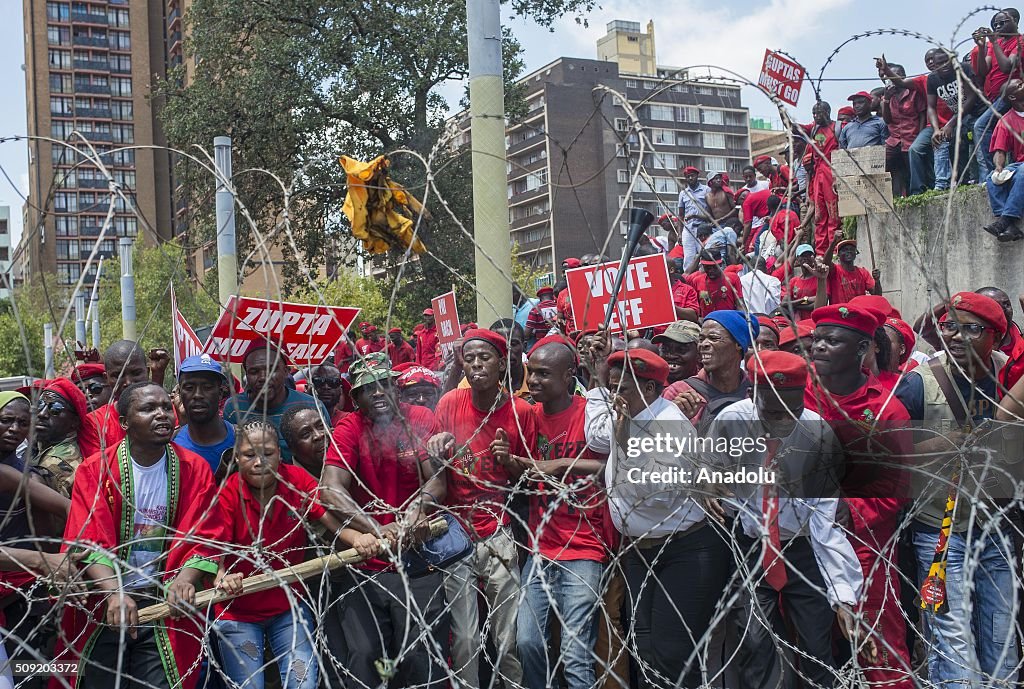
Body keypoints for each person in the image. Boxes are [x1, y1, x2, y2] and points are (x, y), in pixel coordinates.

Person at [707, 351, 871, 688]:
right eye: (772, 410)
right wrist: (707, 484)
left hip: (801, 549)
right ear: (753, 395)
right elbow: (706, 463)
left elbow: (826, 524)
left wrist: (843, 596)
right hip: (752, 546)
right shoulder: (730, 420)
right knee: (755, 641)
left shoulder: (817, 434)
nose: (782, 420)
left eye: (790, 410)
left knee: (815, 642)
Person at [892, 291, 1020, 685]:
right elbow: (883, 454)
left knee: (1001, 638)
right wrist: (945, 446)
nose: (957, 338)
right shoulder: (919, 384)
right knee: (953, 640)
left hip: (996, 527)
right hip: (939, 530)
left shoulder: (1010, 378)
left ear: (996, 338)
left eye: (971, 330)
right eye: (949, 327)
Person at [57, 381, 220, 689]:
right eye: (148, 409)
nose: (162, 415)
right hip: (103, 604)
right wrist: (114, 593)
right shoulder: (96, 470)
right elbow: (88, 539)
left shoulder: (194, 468)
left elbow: (204, 532)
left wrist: (185, 580)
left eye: (164, 407)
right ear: (124, 423)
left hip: (164, 603)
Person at [582, 343, 727, 688]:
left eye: (623, 388)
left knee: (671, 653)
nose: (615, 395)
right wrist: (596, 377)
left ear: (649, 389)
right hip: (640, 551)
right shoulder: (628, 415)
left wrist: (624, 434)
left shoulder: (668, 424)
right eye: (612, 386)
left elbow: (655, 496)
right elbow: (596, 435)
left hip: (683, 550)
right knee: (644, 650)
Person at [204, 420, 375, 689]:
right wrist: (222, 577)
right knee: (249, 685)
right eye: (250, 455)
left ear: (279, 454)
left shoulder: (295, 480)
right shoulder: (227, 494)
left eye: (268, 453)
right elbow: (214, 550)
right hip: (239, 612)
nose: (259, 462)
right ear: (237, 458)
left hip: (288, 606)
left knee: (302, 683)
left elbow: (329, 518)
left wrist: (359, 538)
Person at [319, 352, 449, 688]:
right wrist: (378, 528)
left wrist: (416, 512)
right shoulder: (349, 427)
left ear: (395, 388)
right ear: (356, 398)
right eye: (367, 388)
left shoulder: (417, 418)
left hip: (417, 560)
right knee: (367, 657)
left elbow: (435, 480)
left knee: (421, 657)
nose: (377, 393)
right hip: (367, 563)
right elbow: (330, 490)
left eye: (383, 385)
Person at [802, 305, 915, 689]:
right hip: (798, 542)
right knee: (808, 651)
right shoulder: (793, 396)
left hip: (861, 548)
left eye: (832, 341)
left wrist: (844, 510)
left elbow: (894, 490)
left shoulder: (886, 410)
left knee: (878, 651)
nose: (818, 347)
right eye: (817, 339)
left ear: (862, 349)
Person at [427, 329, 536, 689]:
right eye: (469, 358)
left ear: (502, 364)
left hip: (500, 530)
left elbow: (533, 479)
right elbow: (436, 472)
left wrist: (510, 461)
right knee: (466, 638)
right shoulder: (448, 404)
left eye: (484, 357)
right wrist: (434, 448)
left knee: (509, 637)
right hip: (456, 532)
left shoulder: (520, 412)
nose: (476, 365)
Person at [515, 336, 608, 689]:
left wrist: (562, 464)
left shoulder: (590, 413)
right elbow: (484, 453)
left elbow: (615, 465)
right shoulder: (527, 416)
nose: (534, 381)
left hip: (583, 548)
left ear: (569, 375)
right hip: (540, 551)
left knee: (575, 653)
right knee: (527, 642)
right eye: (530, 373)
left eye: (543, 374)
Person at [222, 342, 329, 462]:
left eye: (271, 369)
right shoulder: (234, 408)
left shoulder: (312, 406)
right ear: (246, 374)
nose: (263, 377)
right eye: (254, 372)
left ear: (286, 371)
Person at [663, 311, 756, 434]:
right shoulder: (679, 392)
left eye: (714, 338)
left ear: (738, 344)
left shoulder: (755, 393)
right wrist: (675, 418)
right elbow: (658, 445)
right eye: (701, 339)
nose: (703, 344)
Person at [972, 10, 1022, 183]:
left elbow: (1008, 67)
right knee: (998, 134)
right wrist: (981, 46)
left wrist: (994, 42)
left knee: (981, 127)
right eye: (995, 25)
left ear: (1015, 21)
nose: (998, 27)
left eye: (1002, 23)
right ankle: (1003, 171)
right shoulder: (995, 45)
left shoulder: (1019, 41)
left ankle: (987, 175)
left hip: (1012, 96)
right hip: (994, 97)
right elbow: (982, 71)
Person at [173, 354, 234, 476]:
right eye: (189, 388)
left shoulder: (243, 441)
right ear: (179, 393)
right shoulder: (171, 445)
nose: (198, 395)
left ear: (221, 393)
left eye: (207, 387)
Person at [87, 339, 151, 454]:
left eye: (136, 373)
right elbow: (95, 468)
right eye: (118, 375)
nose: (128, 382)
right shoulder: (93, 424)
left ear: (147, 372)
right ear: (106, 378)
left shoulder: (169, 414)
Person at [31, 379, 91, 499]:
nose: (42, 414)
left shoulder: (55, 465)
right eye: (40, 405)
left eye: (55, 409)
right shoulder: (42, 447)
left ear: (74, 422)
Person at [927, 49, 978, 191]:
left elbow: (971, 98)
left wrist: (951, 124)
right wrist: (936, 129)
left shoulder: (963, 69)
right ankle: (945, 183)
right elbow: (931, 107)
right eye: (939, 63)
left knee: (961, 136)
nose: (943, 65)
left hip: (975, 111)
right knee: (942, 139)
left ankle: (977, 177)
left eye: (946, 61)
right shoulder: (932, 79)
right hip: (957, 117)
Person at [877, 61, 927, 197]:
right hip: (894, 140)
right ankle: (880, 198)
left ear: (903, 76)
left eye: (894, 75)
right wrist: (886, 100)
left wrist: (920, 135)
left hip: (912, 136)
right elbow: (887, 120)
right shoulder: (886, 96)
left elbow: (922, 114)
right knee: (878, 163)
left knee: (912, 167)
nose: (891, 79)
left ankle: (917, 194)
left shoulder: (913, 93)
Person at [983, 77, 1024, 240]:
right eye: (1020, 85)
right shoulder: (1006, 121)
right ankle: (1011, 227)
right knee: (991, 179)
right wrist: (999, 168)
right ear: (1012, 97)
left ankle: (1004, 221)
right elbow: (999, 151)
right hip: (1020, 163)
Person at [684, 251, 744, 317]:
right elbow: (696, 307)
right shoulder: (697, 280)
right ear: (703, 266)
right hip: (707, 322)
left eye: (714, 267)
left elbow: (740, 305)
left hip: (729, 320)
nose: (711, 270)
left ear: (720, 264)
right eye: (707, 267)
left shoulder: (732, 278)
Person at [825, 238, 882, 303]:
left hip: (859, 311)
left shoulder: (863, 272)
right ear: (838, 254)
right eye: (845, 250)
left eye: (852, 249)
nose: (849, 251)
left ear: (855, 253)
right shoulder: (834, 270)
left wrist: (877, 281)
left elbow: (877, 296)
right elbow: (825, 262)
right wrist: (833, 243)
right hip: (839, 311)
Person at [780, 245, 826, 323]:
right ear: (797, 259)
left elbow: (818, 304)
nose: (806, 258)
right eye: (803, 255)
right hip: (797, 323)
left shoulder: (820, 278)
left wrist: (794, 305)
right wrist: (806, 299)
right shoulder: (794, 281)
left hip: (815, 322)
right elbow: (784, 303)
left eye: (809, 255)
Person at [676, 165, 711, 267]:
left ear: (697, 176)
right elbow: (681, 215)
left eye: (692, 175)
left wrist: (695, 216)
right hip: (688, 229)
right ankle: (688, 279)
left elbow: (710, 213)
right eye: (688, 176)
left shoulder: (706, 190)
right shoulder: (683, 193)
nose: (690, 178)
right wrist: (679, 234)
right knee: (689, 257)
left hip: (703, 227)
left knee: (705, 254)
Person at [280, 405, 328, 479]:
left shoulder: (348, 459)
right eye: (306, 434)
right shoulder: (290, 483)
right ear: (292, 449)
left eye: (321, 426)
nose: (318, 435)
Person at [652, 320, 701, 384]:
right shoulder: (649, 385)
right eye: (665, 349)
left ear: (699, 354)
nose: (670, 356)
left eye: (681, 350)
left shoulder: (710, 384)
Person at [309, 361, 349, 427]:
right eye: (318, 381)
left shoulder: (349, 421)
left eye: (333, 382)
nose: (326, 387)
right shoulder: (296, 421)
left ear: (341, 390)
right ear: (306, 387)